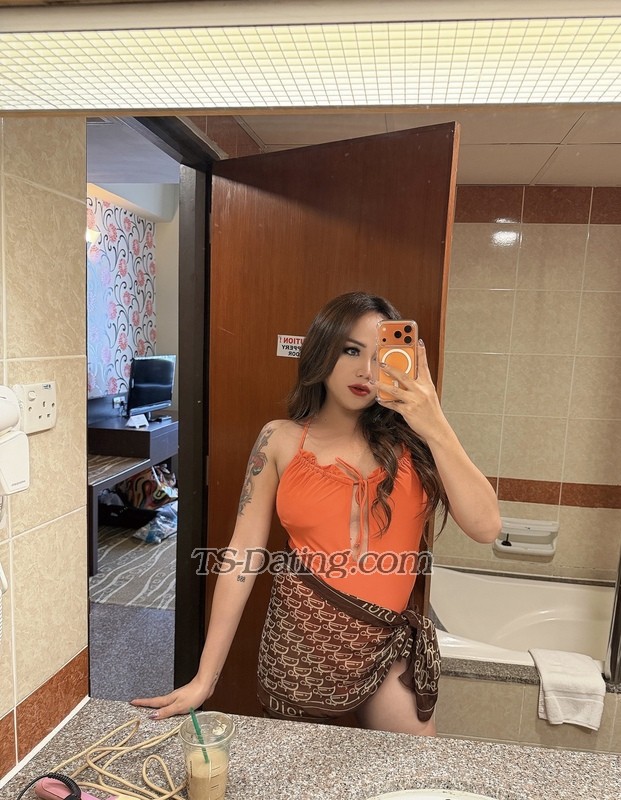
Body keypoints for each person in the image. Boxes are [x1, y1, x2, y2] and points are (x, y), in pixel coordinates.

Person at [132, 291, 501, 735]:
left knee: (411, 767)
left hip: (385, 648)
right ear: (323, 351)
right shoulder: (279, 440)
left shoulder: (418, 443)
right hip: (300, 648)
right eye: (351, 350)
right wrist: (204, 679)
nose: (366, 371)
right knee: (297, 769)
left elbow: (486, 527)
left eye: (380, 356)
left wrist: (434, 421)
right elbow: (241, 556)